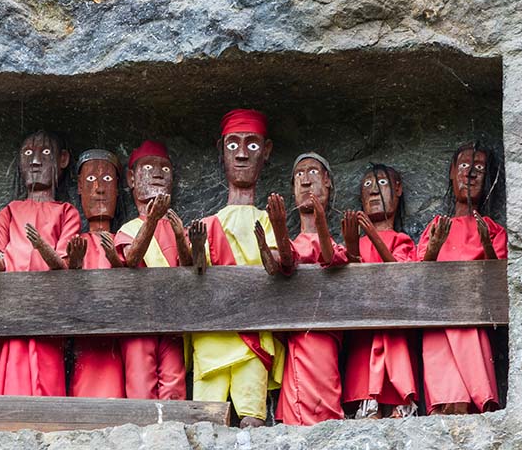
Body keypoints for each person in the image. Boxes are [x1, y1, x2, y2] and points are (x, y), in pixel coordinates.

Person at [189, 109, 284, 427]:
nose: (242, 154)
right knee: (205, 421)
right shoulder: (207, 224)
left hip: (252, 334)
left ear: (266, 151)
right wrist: (197, 250)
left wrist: (271, 246)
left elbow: (279, 263)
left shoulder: (268, 219)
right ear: (221, 150)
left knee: (252, 420)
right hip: (212, 336)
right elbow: (197, 275)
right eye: (233, 145)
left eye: (252, 145)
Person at [0, 131, 81, 396]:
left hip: (48, 310)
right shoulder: (10, 211)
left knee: (48, 378)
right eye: (27, 154)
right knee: (14, 378)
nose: (35, 161)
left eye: (45, 153)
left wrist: (41, 246)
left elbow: (63, 264)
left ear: (63, 159)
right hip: (14, 308)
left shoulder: (66, 212)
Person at [258, 153, 347, 425]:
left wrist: (321, 224)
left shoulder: (336, 244)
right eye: (299, 175)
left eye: (313, 172)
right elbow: (284, 260)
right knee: (303, 398)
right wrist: (277, 233)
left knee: (327, 391)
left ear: (328, 181)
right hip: (301, 336)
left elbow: (331, 257)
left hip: (327, 335)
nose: (306, 180)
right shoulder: (295, 243)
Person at [417, 143, 507, 414]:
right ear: (452, 172)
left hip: (472, 321)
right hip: (438, 322)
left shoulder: (493, 230)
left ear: (488, 178)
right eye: (464, 166)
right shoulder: (435, 227)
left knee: (471, 395)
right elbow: (418, 277)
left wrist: (486, 244)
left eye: (479, 168)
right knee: (445, 397)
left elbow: (499, 281)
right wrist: (434, 248)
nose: (470, 173)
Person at [111, 140, 190, 400]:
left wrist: (182, 237)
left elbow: (189, 266)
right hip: (139, 322)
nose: (157, 173)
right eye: (148, 168)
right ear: (131, 179)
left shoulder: (178, 227)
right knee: (140, 383)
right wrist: (152, 220)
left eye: (165, 169)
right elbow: (131, 258)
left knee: (174, 383)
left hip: (173, 321)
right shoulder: (128, 229)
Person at [341, 164, 419, 419]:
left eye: (382, 183)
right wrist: (353, 245)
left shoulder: (401, 240)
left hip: (395, 327)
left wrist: (373, 235)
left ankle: (398, 403)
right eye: (367, 185)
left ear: (398, 189)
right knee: (364, 364)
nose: (374, 191)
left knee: (395, 349)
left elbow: (401, 275)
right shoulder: (356, 242)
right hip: (363, 330)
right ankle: (369, 405)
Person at [68, 149, 125, 398]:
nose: (99, 189)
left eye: (108, 179)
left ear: (119, 190)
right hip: (83, 343)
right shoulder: (73, 242)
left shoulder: (124, 240)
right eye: (91, 180)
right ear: (79, 188)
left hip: (118, 342)